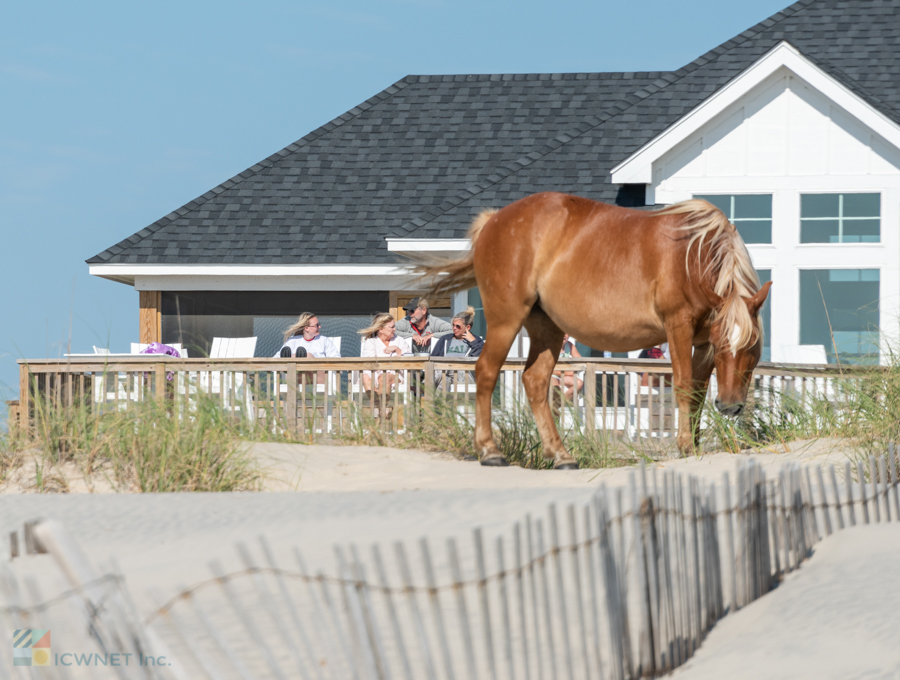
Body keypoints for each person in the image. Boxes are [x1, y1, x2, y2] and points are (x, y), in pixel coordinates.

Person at [358, 314, 412, 407]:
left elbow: (409, 358)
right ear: (381, 329)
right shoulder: (371, 342)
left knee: (384, 377)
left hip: (395, 375)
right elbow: (369, 363)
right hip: (375, 374)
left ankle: (381, 412)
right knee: (365, 377)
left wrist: (397, 349)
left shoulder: (399, 341)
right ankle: (383, 410)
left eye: (394, 326)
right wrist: (394, 359)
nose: (394, 329)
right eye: (392, 327)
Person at [275, 312, 341, 358]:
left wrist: (314, 360)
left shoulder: (324, 341)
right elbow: (276, 358)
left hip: (317, 375)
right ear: (306, 328)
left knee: (308, 356)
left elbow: (337, 359)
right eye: (316, 325)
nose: (319, 327)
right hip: (296, 376)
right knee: (294, 357)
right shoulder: (292, 341)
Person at [551, 334, 583, 400]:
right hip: (550, 375)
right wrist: (568, 373)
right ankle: (555, 406)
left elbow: (581, 362)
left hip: (562, 375)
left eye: (566, 333)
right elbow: (547, 369)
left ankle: (560, 403)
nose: (564, 335)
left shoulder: (569, 346)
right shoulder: (550, 346)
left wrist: (571, 368)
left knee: (579, 383)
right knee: (555, 389)